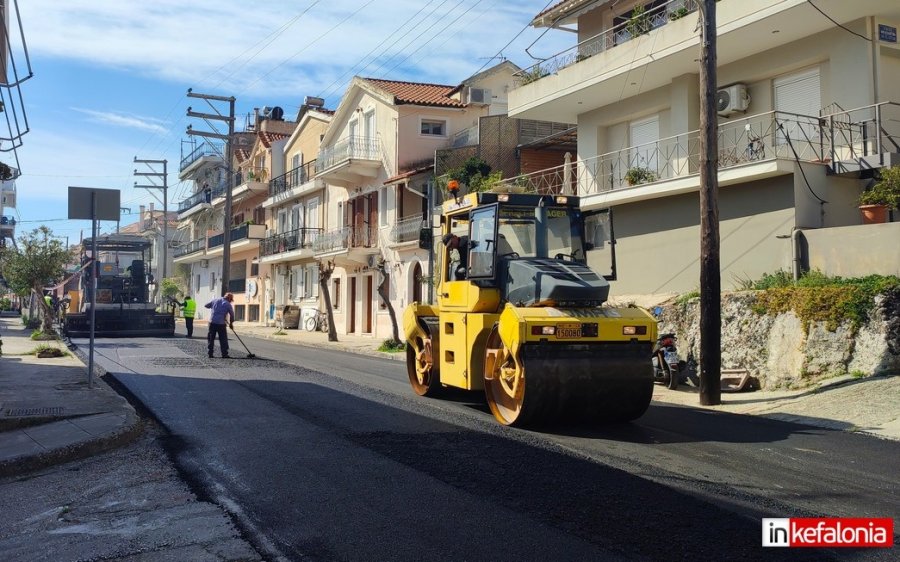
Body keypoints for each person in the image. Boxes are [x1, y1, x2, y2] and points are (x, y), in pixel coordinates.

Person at [205, 293, 234, 358]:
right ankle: (224, 354)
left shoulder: (215, 300)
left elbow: (206, 305)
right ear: (229, 298)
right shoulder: (228, 304)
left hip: (212, 322)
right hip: (221, 324)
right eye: (231, 300)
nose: (230, 301)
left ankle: (210, 353)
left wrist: (214, 308)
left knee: (211, 338)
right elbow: (232, 315)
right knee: (223, 339)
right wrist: (231, 324)